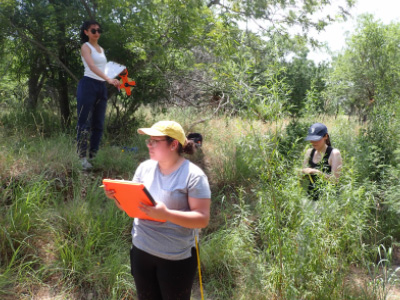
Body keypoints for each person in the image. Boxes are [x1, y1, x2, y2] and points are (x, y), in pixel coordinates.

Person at [105, 120, 211, 300]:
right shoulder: (144, 168)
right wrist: (118, 197)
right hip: (141, 251)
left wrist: (167, 215)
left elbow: (202, 219)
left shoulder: (194, 176)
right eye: (149, 140)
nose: (149, 145)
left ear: (173, 144)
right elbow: (132, 208)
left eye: (155, 141)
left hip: (176, 259)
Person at [76, 20, 120, 170]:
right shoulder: (85, 47)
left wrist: (113, 79)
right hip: (88, 84)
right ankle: (81, 158)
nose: (97, 33)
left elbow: (103, 68)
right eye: (93, 30)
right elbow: (92, 66)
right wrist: (108, 79)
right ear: (86, 32)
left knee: (99, 124)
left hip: (101, 86)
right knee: (84, 123)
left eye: (99, 30)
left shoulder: (101, 49)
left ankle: (93, 157)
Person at [301, 123, 342, 200]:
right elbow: (302, 176)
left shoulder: (334, 154)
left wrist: (317, 172)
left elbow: (335, 180)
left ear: (325, 137)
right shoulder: (309, 152)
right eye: (311, 139)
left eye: (317, 139)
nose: (313, 142)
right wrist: (301, 172)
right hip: (310, 198)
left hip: (328, 201)